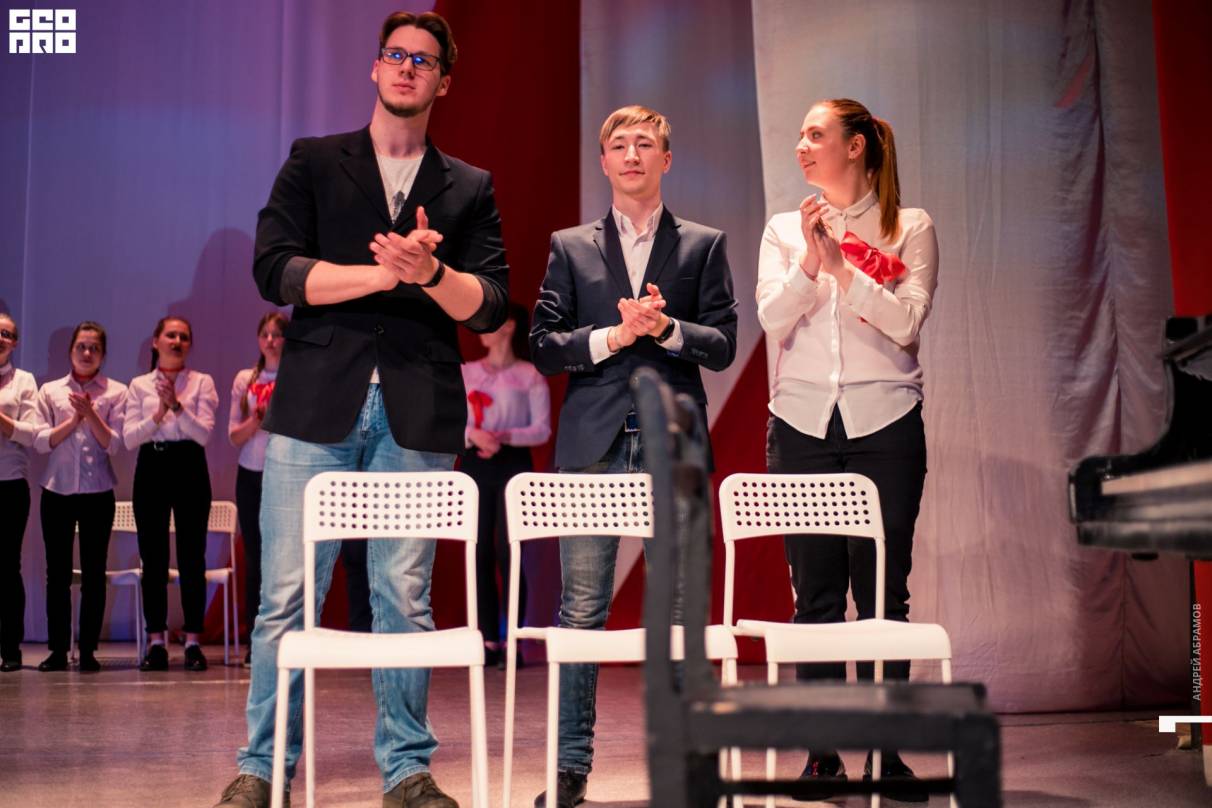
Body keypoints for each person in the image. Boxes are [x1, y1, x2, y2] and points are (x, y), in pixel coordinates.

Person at [214, 11, 508, 808]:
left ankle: (407, 769)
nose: (407, 67)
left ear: (444, 81)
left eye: (424, 60)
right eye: (395, 55)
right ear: (376, 68)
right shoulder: (315, 160)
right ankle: (262, 767)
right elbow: (275, 268)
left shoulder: (468, 185)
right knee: (285, 595)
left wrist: (430, 274)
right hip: (316, 404)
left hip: (417, 407)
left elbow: (488, 303)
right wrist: (382, 276)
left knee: (403, 595)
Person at [529, 105, 737, 808]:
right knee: (582, 608)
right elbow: (544, 345)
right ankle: (569, 768)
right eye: (619, 144)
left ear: (666, 159)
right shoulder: (570, 246)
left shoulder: (702, 244)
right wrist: (613, 337)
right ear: (604, 161)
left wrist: (668, 328)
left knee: (678, 606)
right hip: (593, 441)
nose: (632, 154)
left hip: (672, 442)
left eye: (645, 144)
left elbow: (723, 344)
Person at [756, 98, 939, 800]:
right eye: (800, 136)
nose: (802, 146)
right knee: (816, 596)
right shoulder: (785, 228)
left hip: (885, 422)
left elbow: (905, 322)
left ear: (856, 146)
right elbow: (773, 318)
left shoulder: (909, 226)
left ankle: (887, 753)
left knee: (884, 592)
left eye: (816, 134)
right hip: (802, 424)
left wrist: (843, 268)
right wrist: (812, 260)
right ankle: (823, 752)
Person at [122, 315, 219, 673]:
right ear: (156, 341)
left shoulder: (202, 382)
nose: (177, 342)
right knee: (154, 557)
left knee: (193, 555)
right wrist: (160, 412)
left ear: (189, 344)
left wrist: (177, 405)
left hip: (190, 465)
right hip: (152, 465)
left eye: (183, 337)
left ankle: (193, 641)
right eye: (170, 335)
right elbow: (130, 438)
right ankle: (156, 642)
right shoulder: (139, 386)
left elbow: (203, 434)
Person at [32, 321, 127, 673]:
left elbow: (114, 444)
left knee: (93, 573)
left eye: (94, 348)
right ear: (70, 350)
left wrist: (91, 415)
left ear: (103, 354)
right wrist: (74, 420)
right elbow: (41, 441)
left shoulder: (116, 391)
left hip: (97, 491)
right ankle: (58, 650)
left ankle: (87, 651)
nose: (87, 353)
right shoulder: (51, 390)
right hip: (56, 490)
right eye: (81, 347)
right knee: (56, 574)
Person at [460, 302, 551, 667]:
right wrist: (474, 435)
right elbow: (451, 419)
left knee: (508, 550)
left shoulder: (530, 375)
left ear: (509, 326)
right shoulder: (466, 372)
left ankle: (513, 638)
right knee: (478, 548)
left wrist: (505, 435)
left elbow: (542, 429)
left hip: (513, 463)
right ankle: (486, 638)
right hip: (475, 461)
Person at [227, 311, 287, 667]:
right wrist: (257, 420)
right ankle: (255, 640)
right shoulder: (245, 379)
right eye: (265, 334)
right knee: (255, 556)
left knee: (284, 558)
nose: (271, 341)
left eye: (277, 334)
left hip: (285, 474)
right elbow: (234, 436)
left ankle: (285, 637)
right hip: (251, 473)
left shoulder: (295, 375)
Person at [0, 313, 37, 673]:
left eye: (6, 334)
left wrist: (2, 420)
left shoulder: (23, 381)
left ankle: (10, 647)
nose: (0, 338)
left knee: (8, 566)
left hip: (9, 484)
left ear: (15, 343)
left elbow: (31, 433)